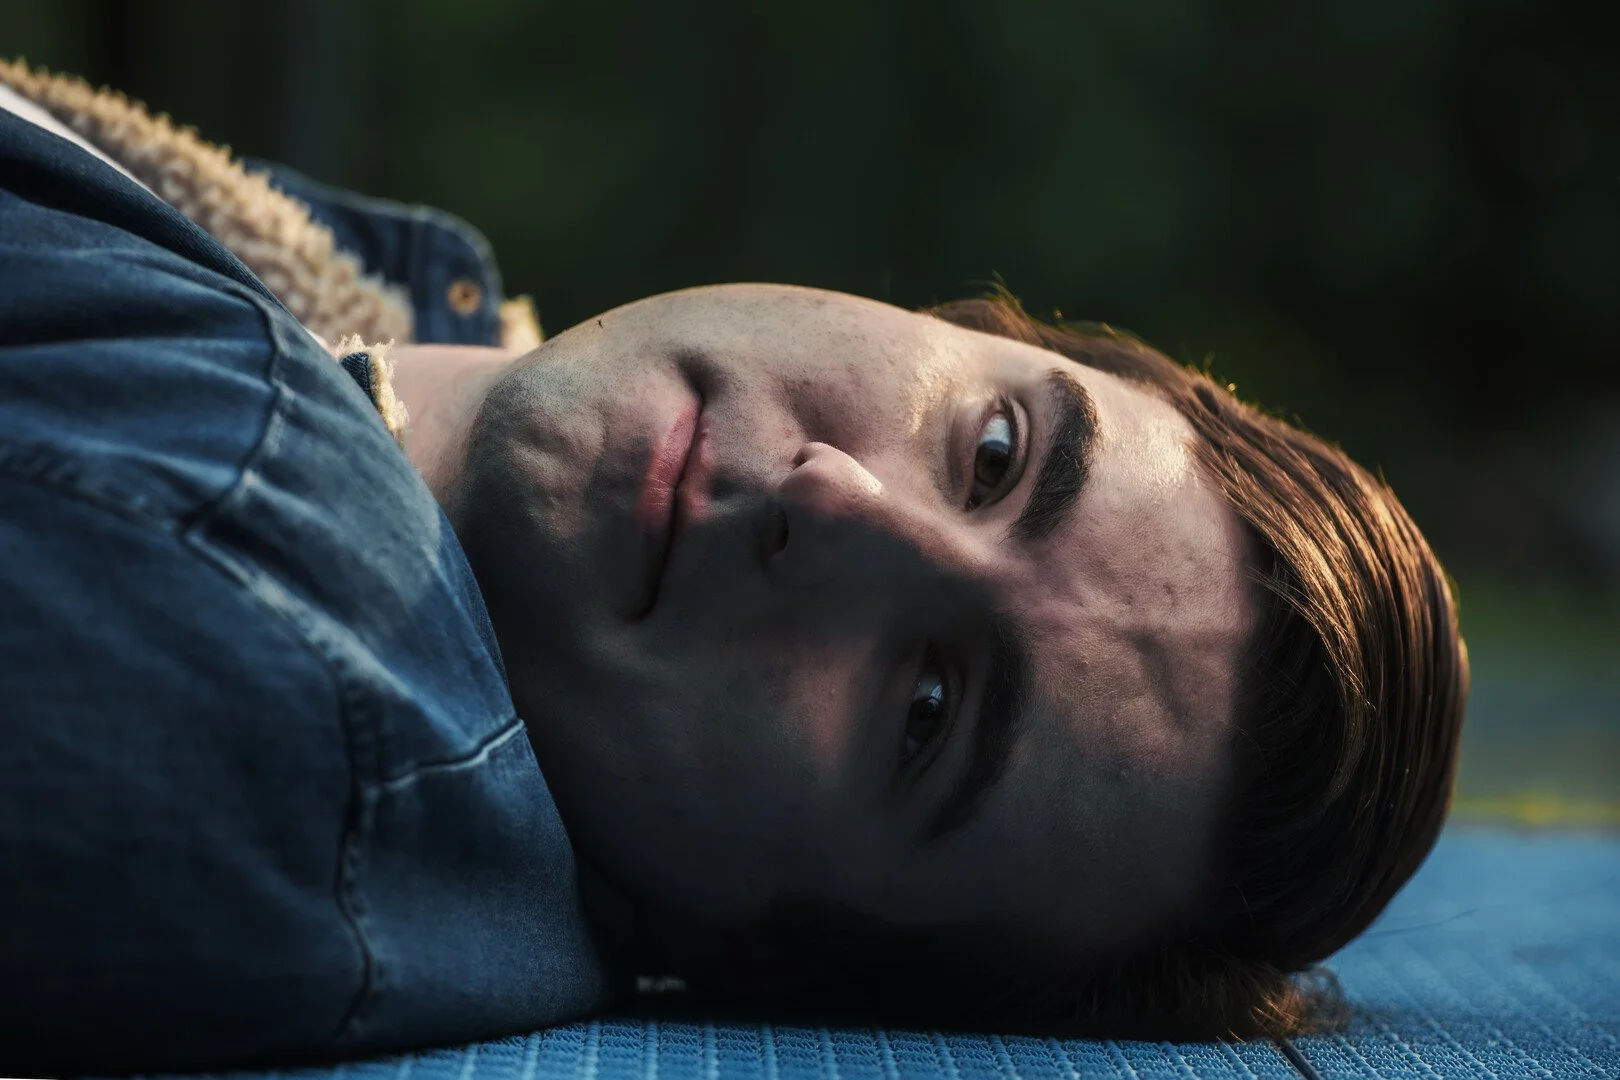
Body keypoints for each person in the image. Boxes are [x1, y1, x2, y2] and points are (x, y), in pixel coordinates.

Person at [0, 64, 1468, 1072]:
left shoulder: (268, 659)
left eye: (925, 714)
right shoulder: (376, 305)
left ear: (763, 958)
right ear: (966, 319)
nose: (834, 507)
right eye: (998, 451)